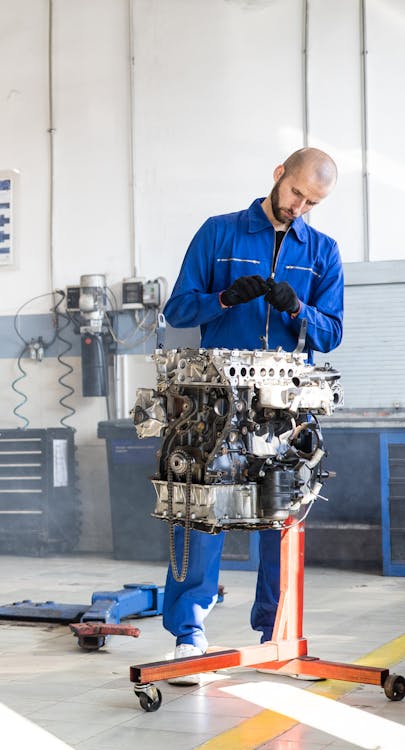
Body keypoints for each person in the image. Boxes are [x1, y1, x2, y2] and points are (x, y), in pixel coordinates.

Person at [159, 147, 344, 683]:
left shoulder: (323, 251)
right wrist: (221, 299)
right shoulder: (219, 233)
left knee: (281, 519)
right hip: (217, 402)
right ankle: (189, 636)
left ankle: (276, 634)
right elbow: (178, 309)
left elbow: (331, 331)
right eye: (295, 194)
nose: (299, 208)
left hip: (284, 407)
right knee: (202, 514)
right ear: (277, 175)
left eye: (312, 202)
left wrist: (297, 309)